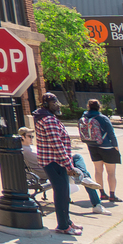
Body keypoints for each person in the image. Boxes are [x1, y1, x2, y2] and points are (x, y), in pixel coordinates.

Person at [33, 92, 79, 236]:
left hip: (54, 161)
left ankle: (67, 221)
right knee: (62, 193)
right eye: (54, 102)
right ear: (46, 104)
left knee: (64, 193)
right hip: (55, 162)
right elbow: (56, 144)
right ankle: (63, 225)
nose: (57, 104)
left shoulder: (46, 117)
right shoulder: (48, 120)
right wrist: (68, 165)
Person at [78, 98, 122, 204]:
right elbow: (111, 134)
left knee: (98, 171)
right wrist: (116, 147)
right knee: (111, 172)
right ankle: (112, 195)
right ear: (99, 107)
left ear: (88, 106)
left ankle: (101, 193)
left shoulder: (84, 118)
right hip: (107, 147)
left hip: (92, 146)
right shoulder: (102, 118)